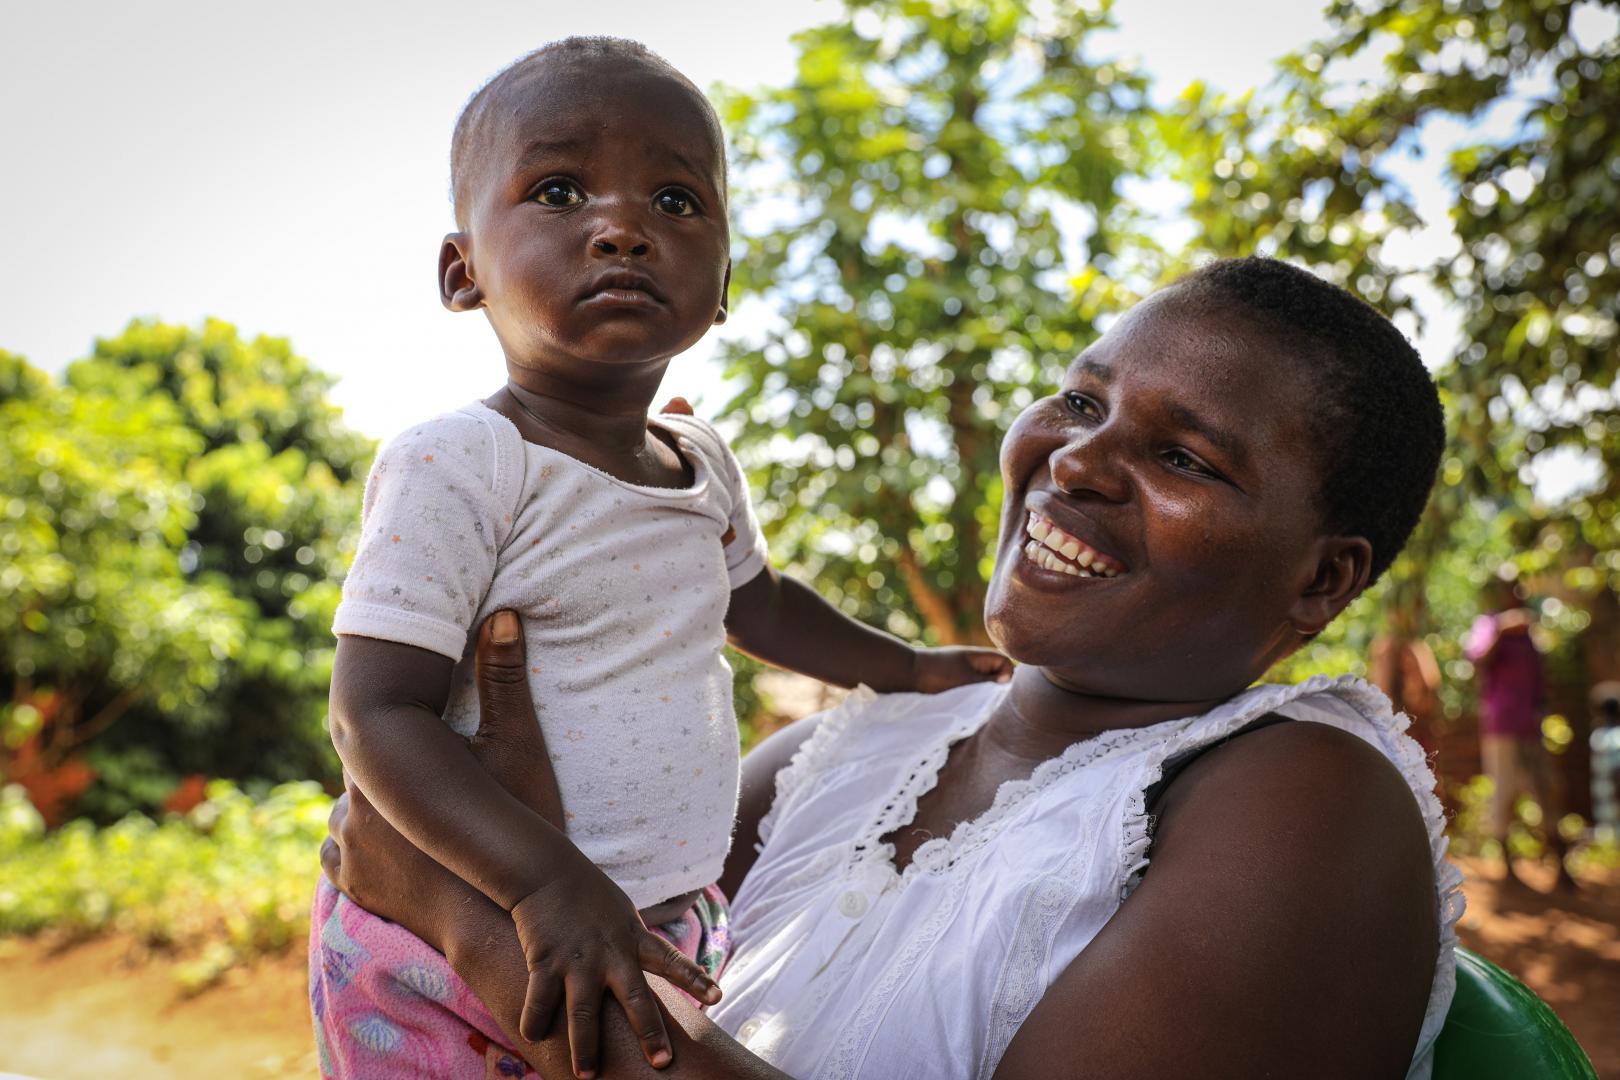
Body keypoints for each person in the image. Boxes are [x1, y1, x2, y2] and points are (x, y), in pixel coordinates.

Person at [325, 256, 1465, 1079]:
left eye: (1181, 457)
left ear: (1322, 581)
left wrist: (469, 925)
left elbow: (486, 918)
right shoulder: (853, 745)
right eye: (1080, 400)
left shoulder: (1307, 801)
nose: (1077, 462)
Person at [311, 38, 1011, 1080]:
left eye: (677, 203)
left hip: (659, 915)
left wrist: (906, 667)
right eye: (558, 190)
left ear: (722, 285)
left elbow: (763, 607)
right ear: (464, 272)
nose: (624, 227)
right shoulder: (459, 462)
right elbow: (372, 714)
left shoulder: (702, 463)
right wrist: (544, 881)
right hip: (472, 921)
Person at [1463, 577, 1575, 889]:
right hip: (1501, 725)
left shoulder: (1530, 632)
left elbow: (1542, 677)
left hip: (1530, 725)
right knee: (1504, 791)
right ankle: (1508, 869)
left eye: (1518, 587)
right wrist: (1501, 629)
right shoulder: (1488, 625)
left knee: (1547, 789)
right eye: (1509, 587)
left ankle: (1561, 868)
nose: (1515, 593)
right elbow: (1478, 660)